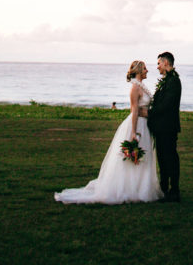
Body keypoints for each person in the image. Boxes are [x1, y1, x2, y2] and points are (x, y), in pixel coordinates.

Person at [54, 60, 161, 204]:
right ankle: (129, 189)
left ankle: (141, 187)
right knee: (134, 157)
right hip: (137, 125)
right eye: (145, 69)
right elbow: (134, 110)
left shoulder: (142, 86)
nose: (147, 71)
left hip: (145, 124)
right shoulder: (135, 88)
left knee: (144, 157)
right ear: (139, 70)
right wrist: (133, 132)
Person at [147, 51, 181, 202]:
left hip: (168, 128)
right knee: (162, 158)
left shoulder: (174, 81)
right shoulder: (167, 80)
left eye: (159, 63)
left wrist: (149, 112)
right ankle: (164, 188)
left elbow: (166, 105)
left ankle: (174, 190)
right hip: (161, 128)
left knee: (170, 158)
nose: (157, 67)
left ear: (166, 63)